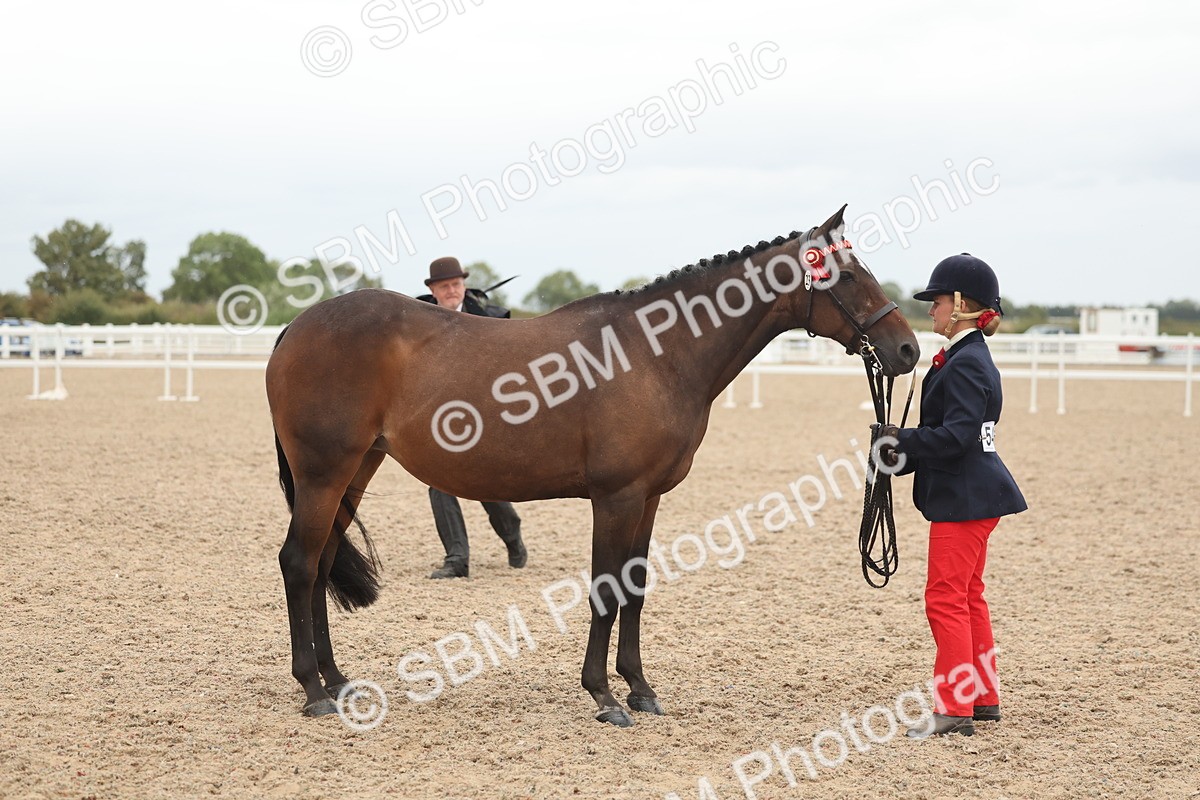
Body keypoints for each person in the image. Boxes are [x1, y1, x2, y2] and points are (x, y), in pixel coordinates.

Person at [876, 253, 1027, 739]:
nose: (932, 310)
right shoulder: (968, 357)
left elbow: (957, 436)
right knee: (968, 597)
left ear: (961, 304)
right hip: (977, 493)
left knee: (944, 599)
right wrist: (905, 452)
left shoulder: (963, 363)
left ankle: (955, 706)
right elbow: (953, 434)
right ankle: (982, 697)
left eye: (937, 302)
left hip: (964, 499)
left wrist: (903, 441)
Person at [419, 256, 528, 579]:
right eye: (444, 286)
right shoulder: (415, 322)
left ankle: (512, 534)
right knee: (439, 481)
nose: (452, 291)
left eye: (456, 284)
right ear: (433, 291)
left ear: (463, 285)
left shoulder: (491, 319)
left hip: (486, 413)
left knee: (483, 481)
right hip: (438, 415)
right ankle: (456, 558)